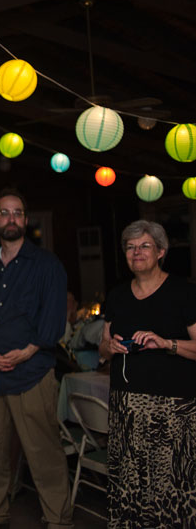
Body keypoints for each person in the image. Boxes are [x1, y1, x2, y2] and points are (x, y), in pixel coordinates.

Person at [0, 188, 73, 529]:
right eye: (4, 213)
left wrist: (28, 350)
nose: (10, 219)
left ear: (26, 221)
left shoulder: (47, 265)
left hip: (32, 370)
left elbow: (55, 317)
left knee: (43, 452)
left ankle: (59, 520)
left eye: (17, 213)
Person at [99, 220, 196, 527]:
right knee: (129, 487)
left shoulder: (184, 292)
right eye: (130, 247)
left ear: (161, 252)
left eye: (144, 246)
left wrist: (167, 343)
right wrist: (110, 347)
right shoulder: (116, 296)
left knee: (172, 490)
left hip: (175, 410)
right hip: (127, 409)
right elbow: (102, 348)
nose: (136, 252)